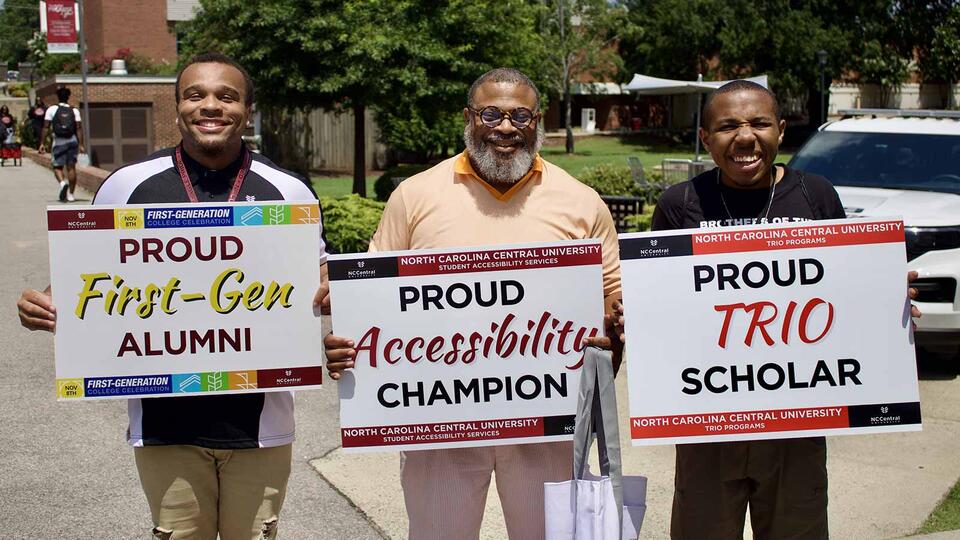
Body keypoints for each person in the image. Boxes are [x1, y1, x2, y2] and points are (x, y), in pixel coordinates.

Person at [18, 53, 329, 540]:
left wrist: (336, 291)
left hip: (261, 425)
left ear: (247, 110)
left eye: (227, 97)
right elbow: (89, 276)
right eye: (195, 94)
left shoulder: (288, 191)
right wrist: (48, 302)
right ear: (177, 105)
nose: (211, 107)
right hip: (165, 425)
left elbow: (316, 271)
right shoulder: (127, 185)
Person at [608, 80, 920, 540]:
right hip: (708, 429)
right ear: (706, 138)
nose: (745, 137)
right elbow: (665, 307)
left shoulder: (816, 196)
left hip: (797, 428)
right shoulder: (680, 205)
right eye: (728, 126)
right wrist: (635, 313)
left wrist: (884, 304)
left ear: (781, 129)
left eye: (759, 123)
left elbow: (843, 291)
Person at [323, 67, 622, 539]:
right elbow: (371, 300)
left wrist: (614, 329)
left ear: (538, 121)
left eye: (520, 116)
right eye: (491, 114)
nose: (505, 127)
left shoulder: (581, 202)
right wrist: (347, 345)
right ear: (469, 117)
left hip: (547, 422)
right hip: (439, 423)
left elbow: (613, 299)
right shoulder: (415, 195)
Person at [39, 87, 85, 202]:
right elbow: (79, 128)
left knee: (57, 166)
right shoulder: (74, 110)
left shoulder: (52, 109)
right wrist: (81, 144)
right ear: (68, 97)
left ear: (58, 97)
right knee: (71, 167)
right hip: (72, 141)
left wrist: (42, 143)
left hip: (58, 142)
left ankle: (62, 183)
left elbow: (45, 127)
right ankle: (71, 195)